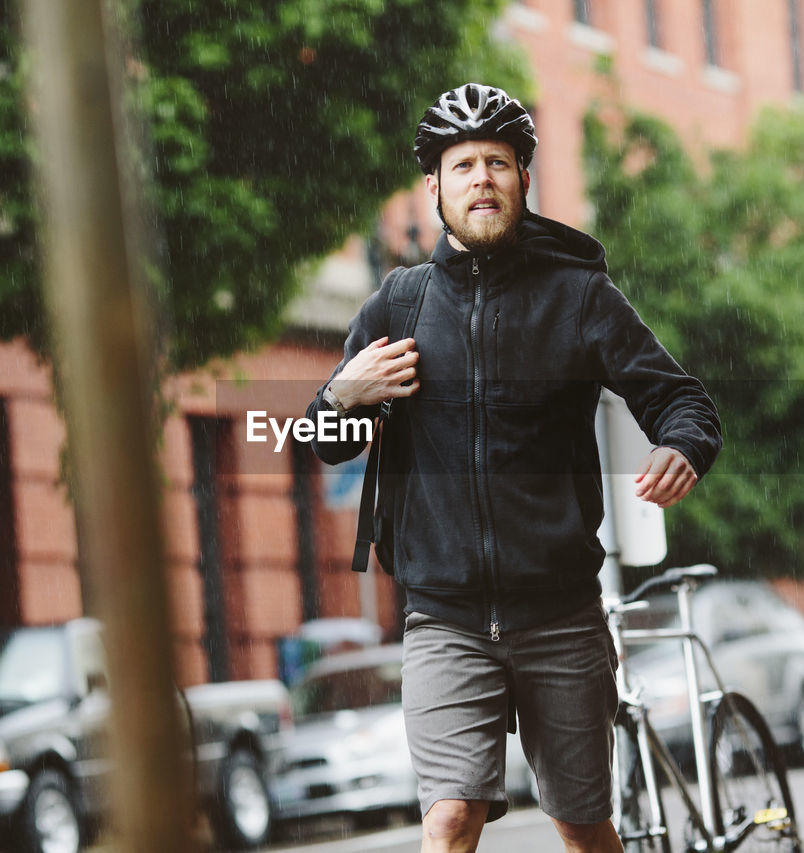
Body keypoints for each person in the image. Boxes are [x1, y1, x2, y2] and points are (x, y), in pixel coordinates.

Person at [306, 83, 722, 853]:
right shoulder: (398, 307)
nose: (482, 179)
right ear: (434, 187)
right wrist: (342, 393)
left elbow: (682, 400)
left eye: (498, 162)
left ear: (524, 180)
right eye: (462, 165)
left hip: (559, 609)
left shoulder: (579, 297)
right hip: (444, 616)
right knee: (450, 817)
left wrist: (680, 445)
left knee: (583, 825)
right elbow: (320, 441)